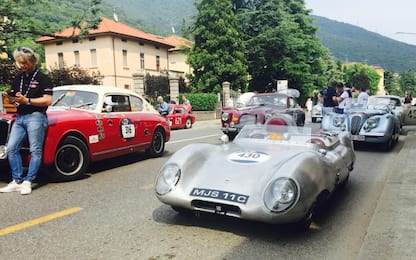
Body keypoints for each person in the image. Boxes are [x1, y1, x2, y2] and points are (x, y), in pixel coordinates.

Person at [0, 47, 53, 195]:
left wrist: (27, 100)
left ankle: (28, 181)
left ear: (33, 61)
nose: (22, 65)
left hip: (36, 116)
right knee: (11, 148)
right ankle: (17, 180)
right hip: (20, 116)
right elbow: (15, 99)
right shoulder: (18, 78)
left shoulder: (43, 78)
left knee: (35, 150)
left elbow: (48, 100)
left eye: (24, 63)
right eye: (20, 63)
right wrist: (10, 97)